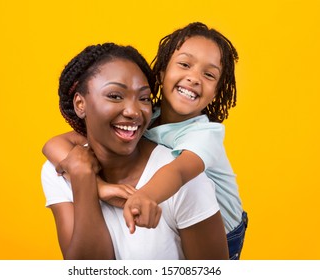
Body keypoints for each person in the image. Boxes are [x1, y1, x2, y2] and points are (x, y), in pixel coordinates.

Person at [43, 22, 247, 260]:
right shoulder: (148, 116)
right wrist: (93, 182)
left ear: (216, 92)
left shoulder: (205, 135)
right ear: (161, 73)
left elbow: (179, 172)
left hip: (226, 232)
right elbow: (55, 144)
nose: (194, 78)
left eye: (209, 75)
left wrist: (145, 196)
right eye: (184, 64)